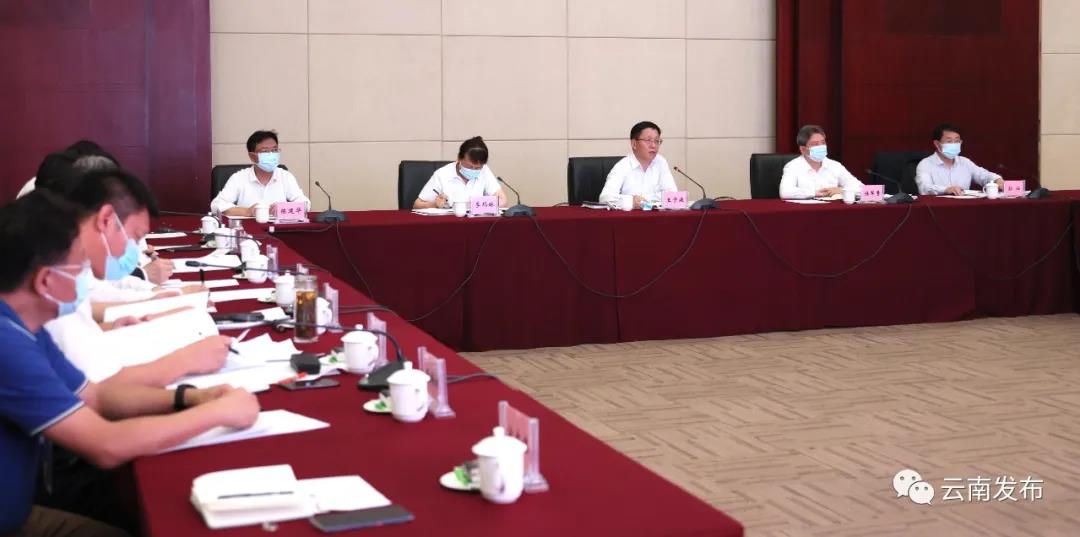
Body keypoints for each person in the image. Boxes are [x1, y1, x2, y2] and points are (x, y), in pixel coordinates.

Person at [0, 190, 259, 537]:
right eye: (79, 268)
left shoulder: (26, 324)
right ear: (45, 281)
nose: (86, 279)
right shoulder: (7, 343)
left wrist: (190, 397)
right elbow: (106, 445)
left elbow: (97, 396)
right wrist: (218, 413)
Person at [42, 169, 226, 386]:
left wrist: (109, 326)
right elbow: (93, 388)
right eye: (135, 238)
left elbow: (82, 317)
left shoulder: (73, 263)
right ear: (106, 220)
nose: (135, 251)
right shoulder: (52, 274)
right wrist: (186, 364)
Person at [210, 130, 310, 216]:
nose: (271, 154)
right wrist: (247, 211)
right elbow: (216, 205)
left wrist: (284, 208)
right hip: (248, 230)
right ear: (252, 156)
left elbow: (305, 204)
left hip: (279, 229)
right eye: (265, 151)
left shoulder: (285, 176)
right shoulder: (239, 178)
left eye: (275, 150)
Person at [598, 121, 678, 208]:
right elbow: (605, 198)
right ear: (634, 144)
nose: (654, 145)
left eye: (657, 141)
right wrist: (631, 201)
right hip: (631, 216)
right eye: (648, 140)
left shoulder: (661, 162)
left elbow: (672, 195)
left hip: (656, 215)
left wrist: (642, 200)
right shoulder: (622, 166)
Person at [413, 137, 508, 209]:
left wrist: (475, 204)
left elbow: (503, 201)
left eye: (478, 168)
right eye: (470, 166)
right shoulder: (442, 174)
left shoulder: (484, 170)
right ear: (459, 158)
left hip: (477, 223)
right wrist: (435, 204)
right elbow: (417, 205)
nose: (473, 170)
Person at [915, 123, 1004, 195]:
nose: (954, 144)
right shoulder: (925, 164)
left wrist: (997, 180)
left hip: (964, 207)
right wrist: (946, 189)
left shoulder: (965, 162)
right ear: (937, 144)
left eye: (957, 141)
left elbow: (983, 175)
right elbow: (924, 188)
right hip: (937, 208)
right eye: (949, 141)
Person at [779, 125, 863, 199]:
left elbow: (863, 190)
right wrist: (815, 193)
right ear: (803, 149)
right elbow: (785, 192)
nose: (821, 146)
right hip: (805, 210)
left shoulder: (835, 166)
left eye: (823, 143)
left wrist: (841, 190)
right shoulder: (793, 166)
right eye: (815, 144)